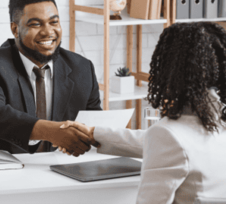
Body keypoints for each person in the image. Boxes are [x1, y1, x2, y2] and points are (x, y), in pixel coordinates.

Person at [60, 22, 226, 203]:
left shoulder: (169, 134)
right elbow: (167, 145)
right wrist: (95, 134)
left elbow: (169, 145)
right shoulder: (217, 123)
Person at [0, 0, 101, 155]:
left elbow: (94, 123)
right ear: (15, 29)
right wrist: (53, 132)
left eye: (54, 22)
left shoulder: (82, 68)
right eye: (36, 24)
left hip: (65, 170)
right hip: (3, 172)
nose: (48, 32)